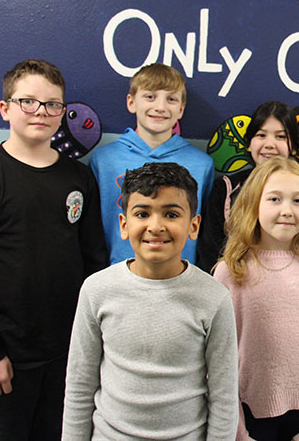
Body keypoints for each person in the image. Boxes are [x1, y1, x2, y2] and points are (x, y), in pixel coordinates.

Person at [0, 59, 108, 440]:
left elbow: (93, 263)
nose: (42, 112)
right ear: (5, 109)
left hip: (70, 357)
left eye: (53, 104)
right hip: (6, 361)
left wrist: (92, 344)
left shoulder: (78, 177)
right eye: (28, 102)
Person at [63, 162, 238, 440]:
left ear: (193, 226)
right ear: (124, 224)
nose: (155, 227)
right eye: (142, 213)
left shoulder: (214, 297)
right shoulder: (96, 290)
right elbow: (79, 386)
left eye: (171, 214)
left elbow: (224, 396)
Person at [213, 157, 299, 441]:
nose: (287, 210)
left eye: (298, 201)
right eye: (274, 199)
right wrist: (238, 432)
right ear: (253, 203)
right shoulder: (230, 271)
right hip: (246, 418)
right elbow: (217, 362)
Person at [89, 62, 214, 267]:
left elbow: (204, 234)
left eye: (171, 99)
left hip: (179, 278)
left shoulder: (201, 165)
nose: (160, 107)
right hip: (117, 278)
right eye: (150, 96)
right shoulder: (103, 160)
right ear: (131, 102)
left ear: (181, 109)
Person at [198, 101, 299, 272]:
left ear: (293, 146)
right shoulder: (226, 189)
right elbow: (209, 254)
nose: (270, 144)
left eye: (281, 137)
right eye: (261, 135)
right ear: (249, 144)